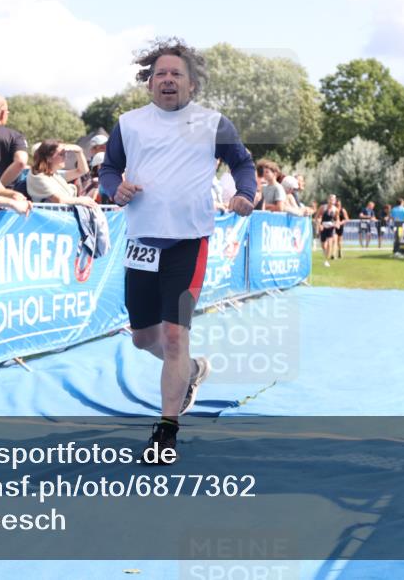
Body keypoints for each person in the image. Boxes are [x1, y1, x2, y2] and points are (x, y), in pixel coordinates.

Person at [99, 38, 256, 463]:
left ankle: (165, 431)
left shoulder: (213, 123)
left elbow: (243, 164)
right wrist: (115, 189)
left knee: (173, 335)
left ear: (192, 84)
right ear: (149, 83)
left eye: (176, 74)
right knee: (142, 338)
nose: (167, 80)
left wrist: (245, 193)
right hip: (141, 245)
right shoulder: (129, 124)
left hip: (189, 243)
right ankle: (190, 370)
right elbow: (109, 169)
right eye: (160, 74)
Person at [27, 140, 97, 206]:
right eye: (61, 154)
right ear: (48, 158)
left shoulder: (53, 175)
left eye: (65, 153)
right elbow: (59, 200)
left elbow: (82, 171)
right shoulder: (39, 178)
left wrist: (79, 151)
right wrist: (81, 200)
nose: (65, 157)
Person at [318, 194, 339, 266]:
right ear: (328, 200)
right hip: (323, 227)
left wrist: (337, 224)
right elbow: (318, 217)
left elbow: (337, 218)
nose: (332, 201)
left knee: (330, 244)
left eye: (333, 199)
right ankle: (325, 253)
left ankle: (326, 260)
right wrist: (319, 225)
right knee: (324, 245)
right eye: (331, 199)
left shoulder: (336, 209)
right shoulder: (323, 207)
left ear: (335, 201)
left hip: (331, 227)